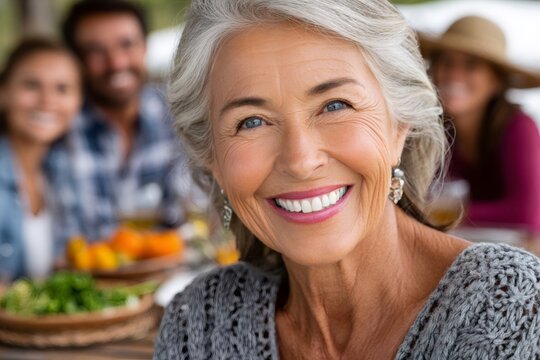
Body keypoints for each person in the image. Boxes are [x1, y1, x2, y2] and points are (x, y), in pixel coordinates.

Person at [154, 1, 540, 359]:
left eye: (335, 105)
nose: (301, 161)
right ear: (212, 159)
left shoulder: (516, 309)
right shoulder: (196, 327)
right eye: (251, 121)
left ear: (398, 126)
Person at [61, 0, 192, 241]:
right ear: (76, 60)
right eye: (95, 51)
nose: (117, 63)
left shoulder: (179, 113)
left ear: (145, 47)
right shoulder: (59, 129)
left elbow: (193, 215)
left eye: (127, 44)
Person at [419, 16, 540, 235]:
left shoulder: (520, 127)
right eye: (447, 63)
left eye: (471, 65)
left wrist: (445, 211)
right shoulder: (432, 129)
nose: (455, 74)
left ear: (497, 81)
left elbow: (526, 214)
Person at [0, 38, 82, 280]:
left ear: (78, 102)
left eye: (62, 89)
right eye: (31, 85)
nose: (47, 100)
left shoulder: (62, 171)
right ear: (3, 93)